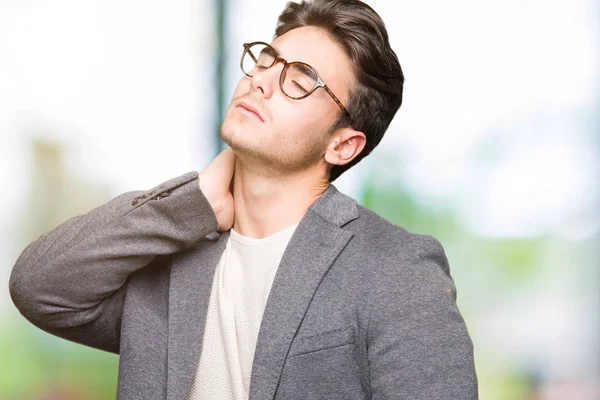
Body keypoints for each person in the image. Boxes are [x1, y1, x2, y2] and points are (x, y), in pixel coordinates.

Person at [9, 0, 478, 398]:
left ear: (343, 145)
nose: (263, 80)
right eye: (266, 60)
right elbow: (40, 287)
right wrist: (189, 203)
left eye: (299, 79)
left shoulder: (395, 270)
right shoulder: (169, 258)